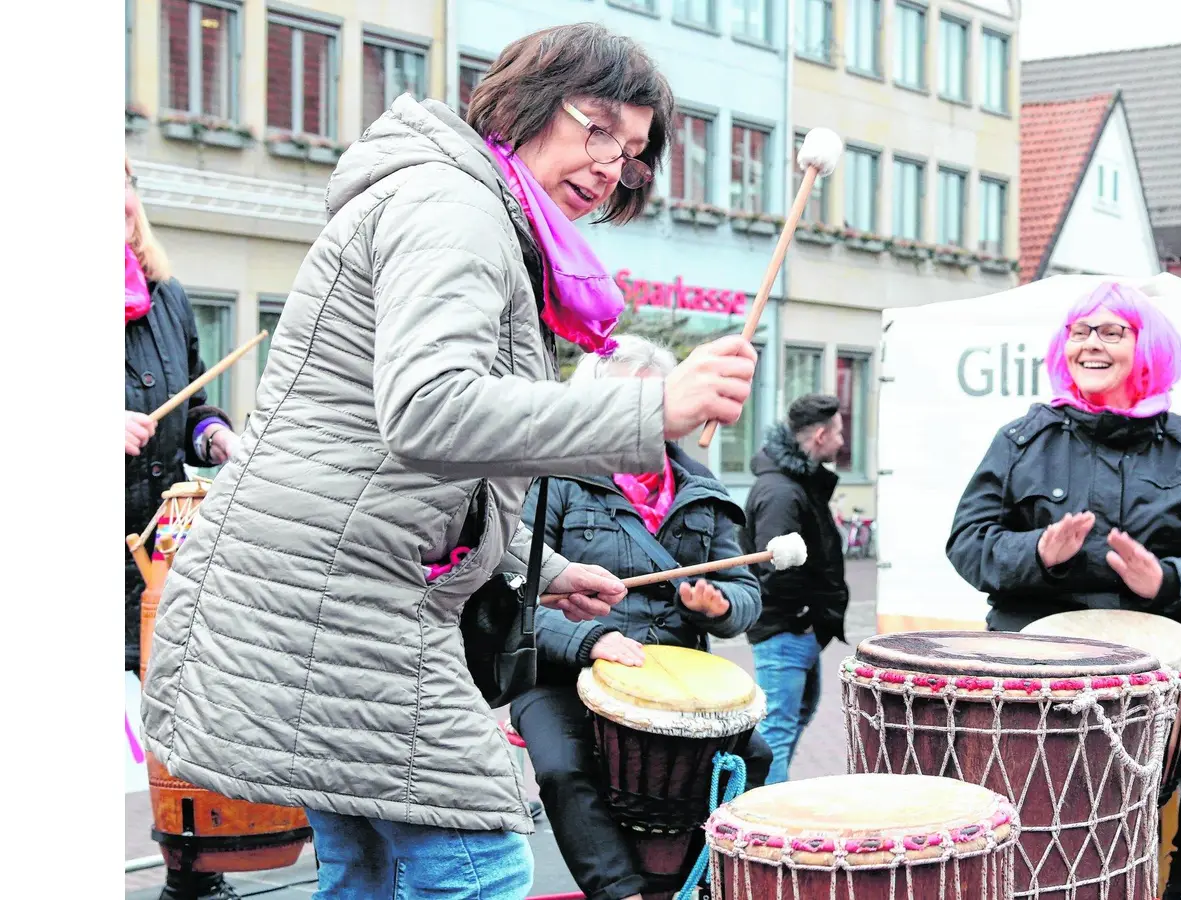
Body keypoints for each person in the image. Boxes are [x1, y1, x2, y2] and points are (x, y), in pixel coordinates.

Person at [140, 24, 758, 900]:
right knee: (478, 864)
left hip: (332, 578)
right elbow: (429, 412)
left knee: (369, 866)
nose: (610, 166)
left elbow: (427, 471)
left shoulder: (474, 209)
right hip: (341, 591)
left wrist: (536, 568)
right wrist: (655, 406)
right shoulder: (456, 206)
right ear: (530, 102)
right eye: (598, 129)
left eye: (631, 153)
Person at [944, 281, 1181, 900]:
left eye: (1111, 331)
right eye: (1080, 331)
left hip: (1169, 636)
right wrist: (1036, 552)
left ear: (1147, 347)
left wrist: (1169, 580)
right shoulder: (1021, 442)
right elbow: (968, 542)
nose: (1091, 344)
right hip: (1035, 633)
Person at [508, 335, 770, 900]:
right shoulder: (552, 480)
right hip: (564, 671)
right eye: (630, 407)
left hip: (676, 680)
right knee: (561, 768)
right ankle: (619, 891)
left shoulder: (703, 491)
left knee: (754, 757)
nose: (646, 421)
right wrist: (591, 640)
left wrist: (721, 606)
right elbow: (512, 596)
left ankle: (703, 880)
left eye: (657, 404)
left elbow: (746, 595)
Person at [124, 156, 245, 900]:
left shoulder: (166, 297)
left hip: (160, 549)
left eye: (123, 187)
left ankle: (192, 871)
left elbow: (196, 402)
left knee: (176, 707)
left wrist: (214, 436)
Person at [741, 394, 849, 785]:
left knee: (794, 718)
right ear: (820, 435)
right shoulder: (782, 492)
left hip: (798, 630)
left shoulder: (798, 483)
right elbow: (774, 565)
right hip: (786, 630)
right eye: (838, 431)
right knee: (777, 735)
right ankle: (769, 823)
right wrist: (802, 618)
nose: (842, 439)